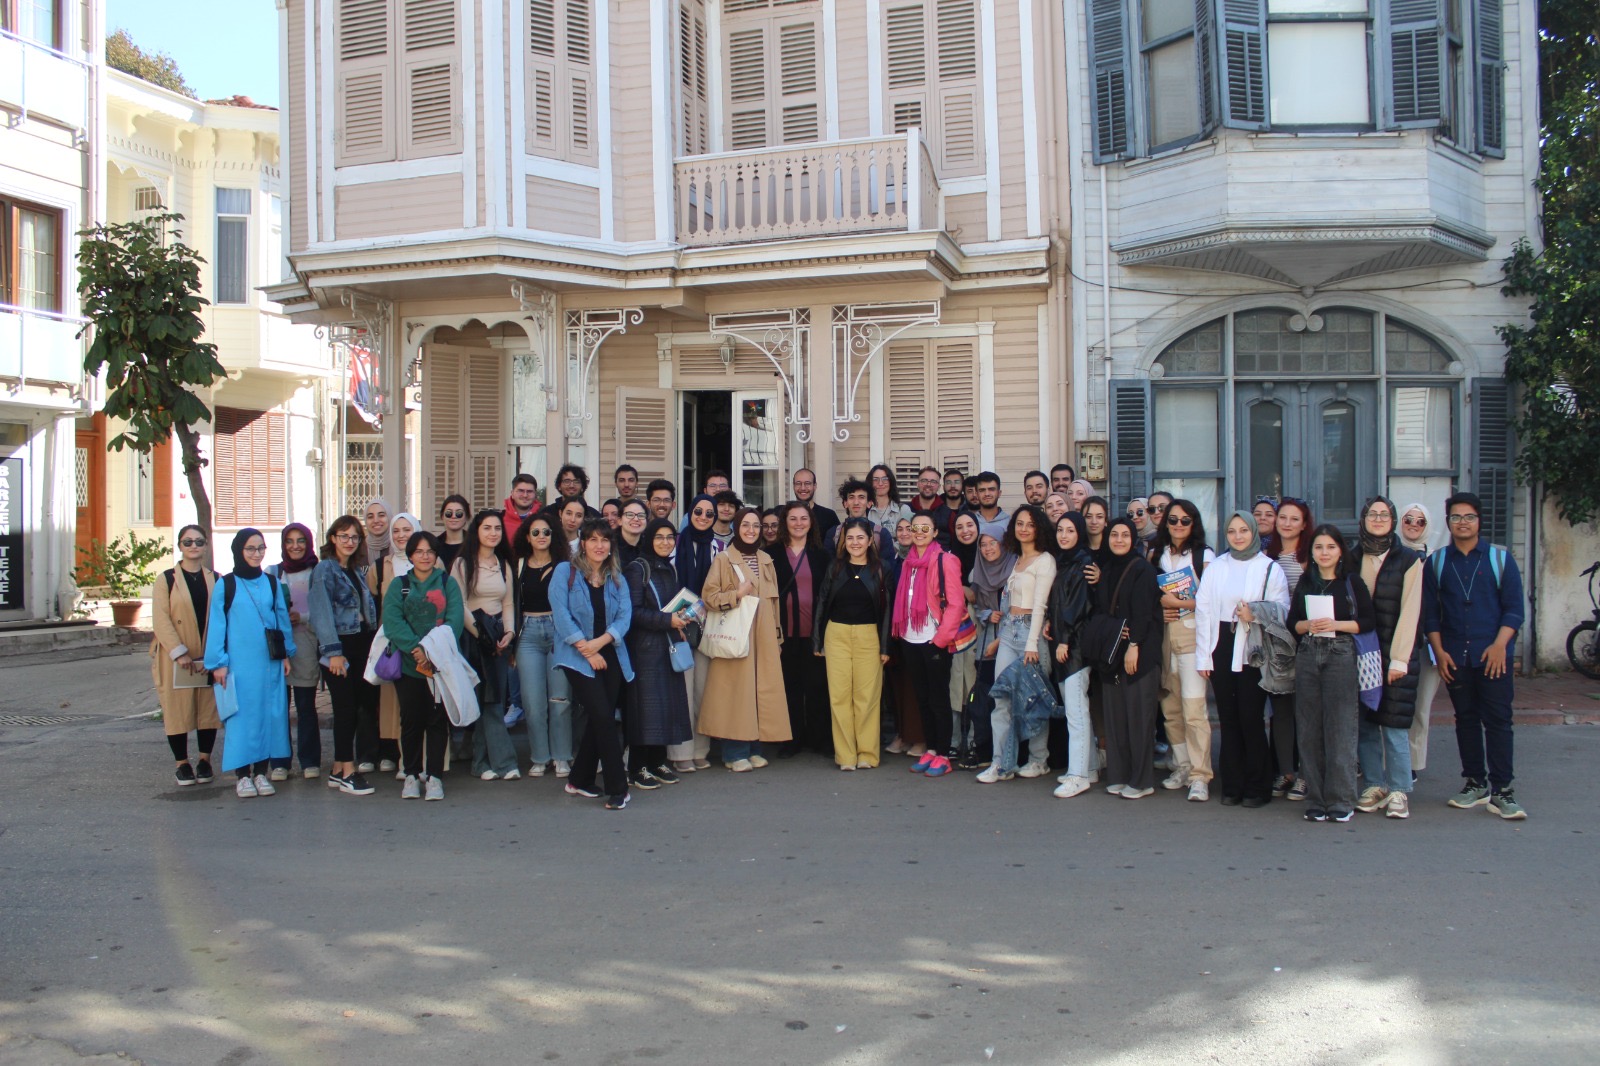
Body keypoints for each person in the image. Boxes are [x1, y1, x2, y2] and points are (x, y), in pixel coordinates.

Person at [1423, 491, 1526, 819]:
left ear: (1479, 521)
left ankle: (1503, 790)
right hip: (1455, 656)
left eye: (1469, 517)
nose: (1462, 523)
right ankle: (1475, 783)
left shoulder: (1499, 559)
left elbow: (1514, 609)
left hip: (1493, 655)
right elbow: (1430, 615)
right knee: (1465, 719)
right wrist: (1439, 652)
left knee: (1498, 721)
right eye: (1456, 517)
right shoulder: (1437, 562)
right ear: (1448, 522)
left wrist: (1500, 646)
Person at [1195, 512, 1289, 808]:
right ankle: (1232, 785)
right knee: (1228, 717)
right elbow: (1204, 609)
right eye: (1232, 531)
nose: (1238, 536)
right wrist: (1204, 656)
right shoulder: (1218, 567)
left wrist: (1255, 613)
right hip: (1221, 643)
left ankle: (1257, 786)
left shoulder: (1269, 568)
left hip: (1253, 645)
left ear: (1253, 533)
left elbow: (1283, 608)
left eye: (1243, 530)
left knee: (1251, 717)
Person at [1287, 524, 1377, 822]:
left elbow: (1367, 621)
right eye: (1318, 548)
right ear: (1311, 553)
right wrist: (1308, 626)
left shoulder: (1351, 582)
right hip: (1309, 652)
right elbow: (1293, 623)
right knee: (1309, 728)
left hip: (1341, 652)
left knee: (1340, 727)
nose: (1324, 553)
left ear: (1340, 551)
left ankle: (1341, 799)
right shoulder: (1305, 581)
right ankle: (1316, 797)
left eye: (1330, 547)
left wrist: (1335, 624)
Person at [204, 529, 295, 799]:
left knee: (270, 715)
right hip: (239, 665)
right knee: (242, 717)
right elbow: (217, 625)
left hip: (269, 662)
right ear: (238, 551)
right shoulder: (226, 584)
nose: (256, 554)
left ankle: (261, 772)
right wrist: (218, 663)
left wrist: (286, 653)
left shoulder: (271, 583)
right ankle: (243, 775)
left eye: (261, 548)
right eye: (250, 549)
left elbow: (281, 619)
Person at [552, 519, 636, 809]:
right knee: (602, 716)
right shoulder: (566, 572)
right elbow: (561, 614)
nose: (599, 545)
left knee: (599, 717)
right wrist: (587, 650)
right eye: (593, 540)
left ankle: (579, 779)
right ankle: (618, 787)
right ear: (583, 544)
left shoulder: (617, 577)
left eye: (605, 540)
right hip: (576, 654)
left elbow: (625, 617)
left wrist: (599, 644)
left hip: (610, 653)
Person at [700, 508, 790, 771]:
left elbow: (774, 603)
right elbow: (709, 597)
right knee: (735, 695)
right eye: (746, 525)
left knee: (759, 691)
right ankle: (733, 752)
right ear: (737, 527)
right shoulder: (724, 559)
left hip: (764, 638)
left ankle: (753, 748)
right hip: (736, 635)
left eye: (756, 525)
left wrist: (777, 637)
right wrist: (736, 595)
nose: (751, 530)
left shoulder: (765, 559)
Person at [1352, 497, 1423, 821]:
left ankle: (1398, 789)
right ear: (1363, 519)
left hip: (1396, 654)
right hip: (1361, 654)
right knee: (1366, 723)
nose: (1378, 519)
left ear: (1393, 520)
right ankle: (1374, 784)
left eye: (1384, 514)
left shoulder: (1408, 560)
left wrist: (1399, 659)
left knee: (1394, 725)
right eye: (1372, 514)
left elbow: (1411, 611)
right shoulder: (1352, 558)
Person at [980, 505, 1058, 783]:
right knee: (1002, 698)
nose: (1024, 528)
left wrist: (1032, 645)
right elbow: (1009, 605)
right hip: (1010, 632)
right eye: (1020, 523)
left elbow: (1040, 606)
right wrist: (1000, 638)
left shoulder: (1045, 560)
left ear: (1039, 529)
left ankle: (1039, 760)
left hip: (1030, 635)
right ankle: (1001, 763)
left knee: (1032, 698)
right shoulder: (1016, 560)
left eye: (1030, 524)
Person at [383, 531, 464, 801]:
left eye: (429, 551)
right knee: (411, 720)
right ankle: (411, 774)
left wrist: (432, 651)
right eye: (419, 551)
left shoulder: (446, 582)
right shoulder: (400, 585)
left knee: (437, 720)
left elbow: (454, 619)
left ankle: (435, 776)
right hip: (409, 665)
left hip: (439, 663)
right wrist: (416, 649)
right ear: (410, 555)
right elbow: (393, 621)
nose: (425, 556)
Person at [308, 516, 381, 796]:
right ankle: (349, 772)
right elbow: (321, 612)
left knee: (353, 708)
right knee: (345, 710)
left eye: (354, 537)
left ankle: (338, 769)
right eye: (344, 536)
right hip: (341, 648)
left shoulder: (353, 569)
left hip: (360, 645)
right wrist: (333, 652)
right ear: (332, 538)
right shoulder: (325, 569)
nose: (349, 542)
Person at [814, 517, 893, 770]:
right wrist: (817, 639)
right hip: (836, 635)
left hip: (869, 636)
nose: (855, 542)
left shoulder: (881, 569)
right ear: (842, 541)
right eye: (850, 538)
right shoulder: (834, 568)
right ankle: (846, 756)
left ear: (870, 540)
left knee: (867, 697)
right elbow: (822, 603)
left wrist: (885, 647)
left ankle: (867, 754)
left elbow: (887, 611)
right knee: (839, 697)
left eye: (860, 537)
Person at [891, 512, 966, 778]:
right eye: (915, 527)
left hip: (934, 640)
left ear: (935, 532)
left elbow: (956, 604)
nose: (919, 531)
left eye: (926, 527)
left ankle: (944, 754)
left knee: (938, 699)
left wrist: (940, 640)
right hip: (911, 638)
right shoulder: (908, 562)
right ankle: (932, 750)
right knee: (922, 698)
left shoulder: (945, 560)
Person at [1094, 518, 1165, 799]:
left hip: (1139, 653)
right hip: (1111, 654)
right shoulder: (1107, 569)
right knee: (1116, 718)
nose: (1119, 540)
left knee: (1139, 719)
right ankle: (1119, 775)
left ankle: (1141, 781)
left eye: (1125, 535)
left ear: (1133, 539)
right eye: (1114, 535)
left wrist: (1134, 645)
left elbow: (1144, 612)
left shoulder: (1143, 570)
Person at [622, 518, 694, 790]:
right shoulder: (637, 569)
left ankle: (657, 761)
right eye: (659, 537)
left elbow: (671, 605)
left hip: (667, 644)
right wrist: (668, 622)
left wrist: (682, 620)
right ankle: (638, 767)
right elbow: (632, 612)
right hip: (644, 649)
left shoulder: (669, 568)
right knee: (645, 709)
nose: (665, 542)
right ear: (649, 540)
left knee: (666, 706)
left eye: (669, 537)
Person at [1152, 499, 1215, 801]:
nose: (1178, 525)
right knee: (1170, 707)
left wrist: (1178, 604)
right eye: (1173, 520)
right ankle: (1183, 764)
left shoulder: (1205, 556)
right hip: (1165, 637)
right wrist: (1159, 608)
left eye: (1185, 520)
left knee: (1193, 709)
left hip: (1192, 636)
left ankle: (1201, 774)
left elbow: (1213, 601)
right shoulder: (1157, 554)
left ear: (1194, 523)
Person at [451, 510, 520, 781]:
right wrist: (480, 633)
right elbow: (460, 603)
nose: (493, 533)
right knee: (486, 701)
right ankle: (505, 763)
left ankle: (480, 763)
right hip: (473, 638)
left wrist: (509, 632)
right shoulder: (462, 564)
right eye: (487, 528)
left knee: (493, 700)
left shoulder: (504, 564)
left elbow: (508, 603)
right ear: (476, 532)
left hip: (499, 639)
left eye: (497, 528)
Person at [151, 525, 220, 788]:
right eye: (187, 541)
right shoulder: (166, 579)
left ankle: (204, 759)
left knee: (207, 708)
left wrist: (215, 653)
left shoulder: (216, 578)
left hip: (206, 653)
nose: (193, 546)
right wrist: (178, 651)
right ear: (179, 545)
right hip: (175, 655)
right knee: (177, 708)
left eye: (199, 541)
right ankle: (181, 763)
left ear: (205, 545)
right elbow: (161, 618)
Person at [666, 494, 723, 774]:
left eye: (709, 513)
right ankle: (680, 752)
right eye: (698, 511)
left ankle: (701, 749)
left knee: (703, 691)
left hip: (709, 627)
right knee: (682, 692)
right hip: (679, 626)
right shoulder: (674, 543)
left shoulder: (720, 548)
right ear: (690, 513)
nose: (703, 517)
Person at [769, 501, 831, 757]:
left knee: (817, 687)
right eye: (792, 519)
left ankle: (819, 739)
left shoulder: (822, 554)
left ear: (811, 522)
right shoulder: (771, 554)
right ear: (785, 522)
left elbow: (828, 595)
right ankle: (792, 739)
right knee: (789, 688)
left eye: (803, 518)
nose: (798, 523)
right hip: (784, 631)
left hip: (814, 631)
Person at [515, 512, 573, 778]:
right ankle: (539, 756)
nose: (541, 537)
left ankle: (562, 756)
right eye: (536, 532)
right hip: (528, 633)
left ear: (554, 536)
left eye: (546, 532)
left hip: (558, 631)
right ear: (527, 536)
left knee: (560, 699)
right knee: (532, 701)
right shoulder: (518, 565)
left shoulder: (565, 565)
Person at [267, 523, 322, 781]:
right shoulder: (272, 573)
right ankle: (280, 761)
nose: (295, 546)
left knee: (305, 706)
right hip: (277, 649)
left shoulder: (317, 572)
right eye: (290, 541)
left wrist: (303, 617)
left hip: (306, 645)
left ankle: (310, 760)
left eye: (301, 540)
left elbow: (325, 610)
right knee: (278, 706)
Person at [1046, 513, 1095, 797]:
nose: (1064, 535)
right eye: (1060, 530)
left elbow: (1078, 607)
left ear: (1080, 533)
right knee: (1077, 710)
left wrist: (1065, 639)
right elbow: (1060, 603)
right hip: (1065, 644)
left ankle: (1078, 775)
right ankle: (1088, 768)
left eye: (1070, 530)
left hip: (1074, 648)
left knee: (1076, 712)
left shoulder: (1082, 563)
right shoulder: (1066, 561)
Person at [1267, 498, 1313, 800]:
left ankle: (1306, 775)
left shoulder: (1310, 555)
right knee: (1281, 710)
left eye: (1294, 519)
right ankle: (1285, 771)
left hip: (1308, 639)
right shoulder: (1266, 555)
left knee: (1307, 710)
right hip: (1276, 642)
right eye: (1282, 517)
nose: (1286, 523)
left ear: (1304, 524)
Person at [368, 511, 419, 774]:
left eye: (406, 530)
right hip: (393, 644)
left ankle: (418, 758)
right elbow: (373, 600)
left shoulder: (430, 561)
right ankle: (401, 756)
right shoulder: (382, 566)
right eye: (396, 531)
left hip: (423, 644)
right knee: (397, 702)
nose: (401, 536)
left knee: (419, 703)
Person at [1398, 502, 1440, 777]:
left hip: (1426, 643)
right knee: (1391, 705)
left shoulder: (1436, 560)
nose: (1413, 525)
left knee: (1420, 706)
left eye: (1420, 521)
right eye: (1408, 519)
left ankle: (1412, 763)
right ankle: (1389, 760)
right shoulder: (1389, 555)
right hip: (1395, 640)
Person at [825, 478, 896, 558]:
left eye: (861, 497)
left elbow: (888, 567)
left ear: (869, 503)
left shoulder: (882, 534)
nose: (856, 502)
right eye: (851, 497)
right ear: (845, 503)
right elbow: (829, 567)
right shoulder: (833, 534)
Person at [792, 467, 839, 541]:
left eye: (807, 483)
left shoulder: (829, 516)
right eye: (798, 483)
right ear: (793, 486)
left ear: (815, 486)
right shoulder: (784, 514)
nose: (803, 488)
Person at [502, 473, 541, 546]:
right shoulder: (500, 519)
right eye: (520, 491)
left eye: (529, 491)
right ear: (512, 493)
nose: (525, 495)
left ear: (535, 494)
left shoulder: (543, 518)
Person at [436, 493, 470, 573]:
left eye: (459, 514)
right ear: (442, 516)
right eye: (449, 513)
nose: (453, 516)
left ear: (466, 517)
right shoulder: (434, 545)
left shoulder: (475, 544)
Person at [614, 498, 649, 567]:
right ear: (619, 520)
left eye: (641, 515)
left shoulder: (649, 548)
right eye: (630, 515)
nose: (636, 519)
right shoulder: (610, 546)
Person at [364, 498, 393, 573]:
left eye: (381, 515)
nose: (376, 520)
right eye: (370, 517)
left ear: (389, 517)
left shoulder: (398, 545)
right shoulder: (358, 547)